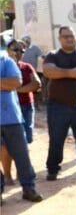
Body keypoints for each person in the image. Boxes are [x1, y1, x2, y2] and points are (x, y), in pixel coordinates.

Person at [42, 26, 76, 181]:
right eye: (65, 36)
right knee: (56, 139)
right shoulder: (52, 55)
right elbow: (49, 71)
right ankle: (53, 169)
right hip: (57, 105)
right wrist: (72, 72)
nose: (69, 39)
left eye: (71, 36)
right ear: (60, 39)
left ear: (75, 37)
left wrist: (61, 72)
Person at [0, 54, 42, 202]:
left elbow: (16, 82)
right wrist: (3, 83)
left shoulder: (5, 61)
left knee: (21, 155)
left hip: (11, 117)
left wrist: (7, 83)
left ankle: (29, 189)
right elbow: (9, 83)